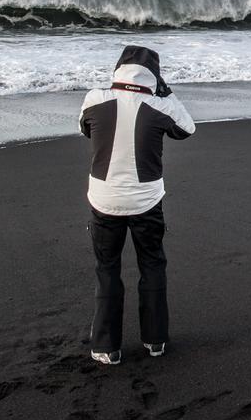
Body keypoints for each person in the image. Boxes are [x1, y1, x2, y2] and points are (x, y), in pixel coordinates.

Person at [79, 45, 195, 365]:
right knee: (153, 265)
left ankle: (106, 347)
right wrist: (165, 92)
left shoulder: (95, 98)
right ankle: (155, 341)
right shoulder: (159, 106)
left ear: (118, 69)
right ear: (154, 77)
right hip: (146, 201)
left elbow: (85, 128)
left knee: (107, 269)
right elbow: (188, 128)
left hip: (104, 199)